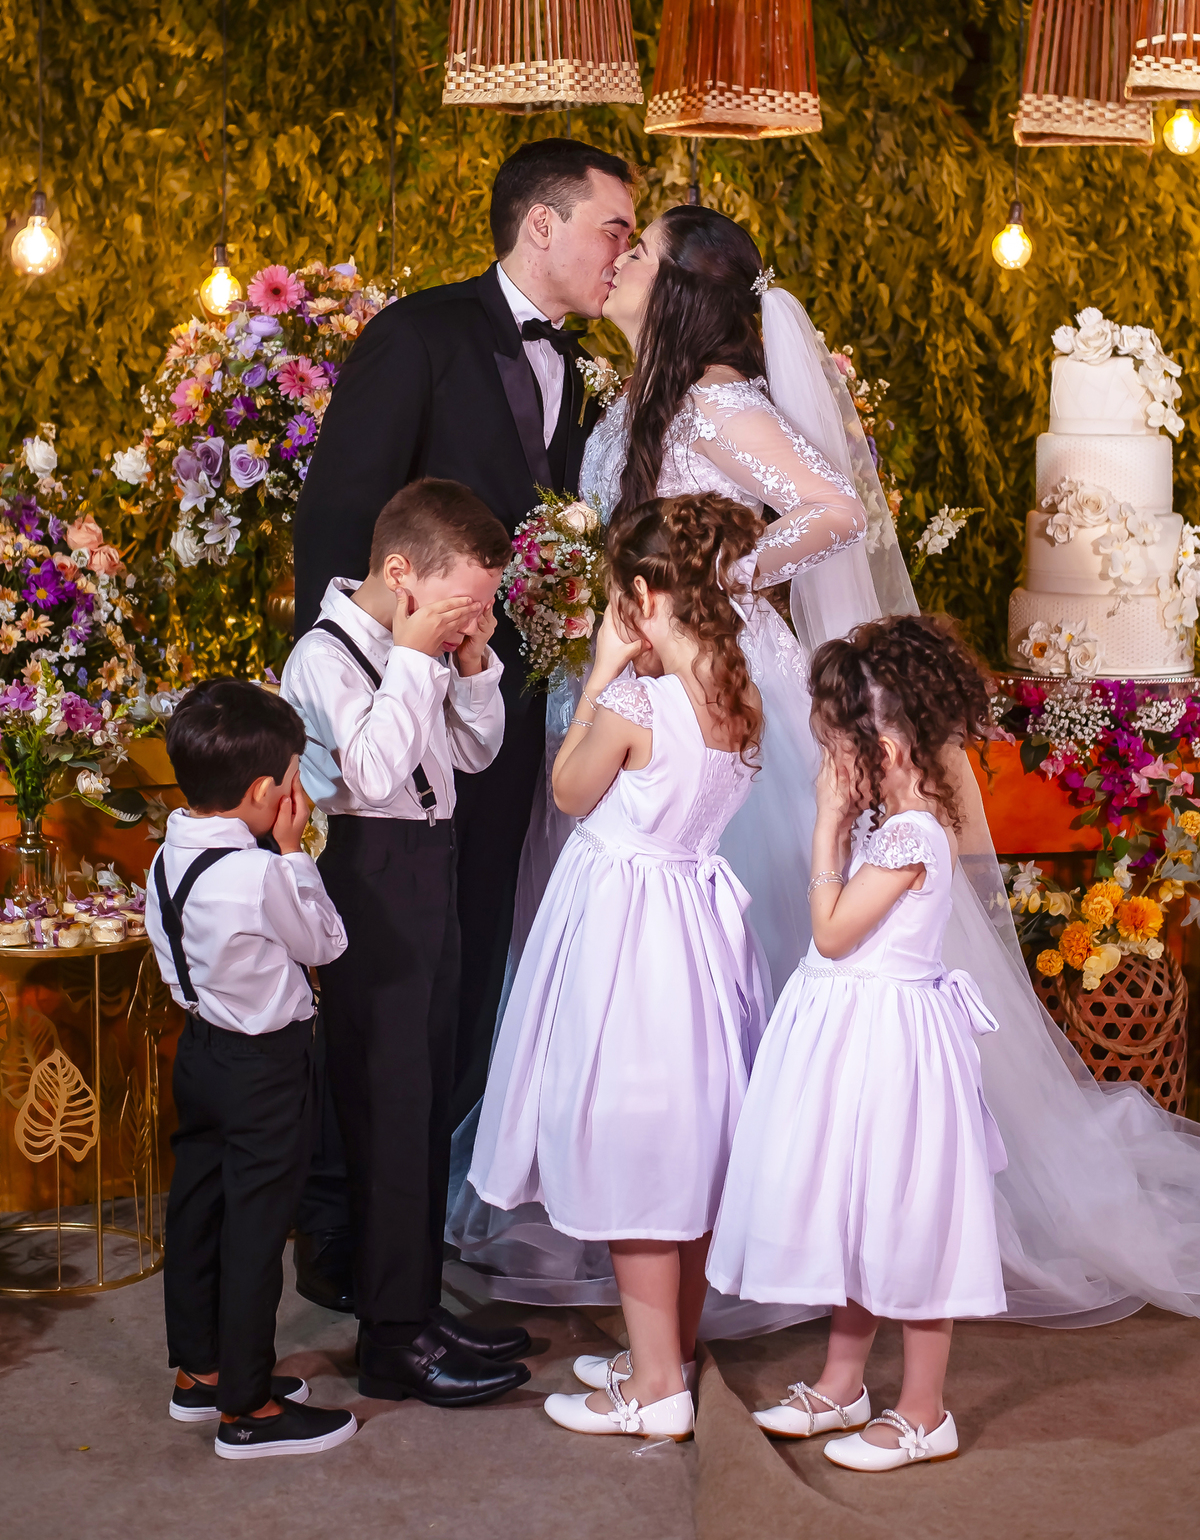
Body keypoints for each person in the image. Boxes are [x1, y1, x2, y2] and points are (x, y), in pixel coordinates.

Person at [455, 198, 1200, 1340]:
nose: (619, 263)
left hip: (709, 676)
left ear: (686, 292)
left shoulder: (721, 404)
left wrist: (721, 579)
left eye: (638, 252)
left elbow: (836, 508)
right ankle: (645, 1194)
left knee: (740, 945)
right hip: (629, 681)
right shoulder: (638, 405)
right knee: (632, 950)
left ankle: (773, 1210)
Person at [294, 138, 636, 1133]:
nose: (622, 250)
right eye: (612, 227)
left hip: (516, 705)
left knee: (478, 942)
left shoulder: (585, 367)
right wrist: (364, 686)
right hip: (398, 719)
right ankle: (346, 1223)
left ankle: (434, 1196)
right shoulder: (419, 335)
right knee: (387, 966)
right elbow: (338, 520)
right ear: (544, 223)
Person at [469, 494, 772, 1442]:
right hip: (695, 925)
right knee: (688, 1143)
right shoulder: (735, 690)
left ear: (641, 594)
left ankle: (653, 1391)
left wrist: (602, 670)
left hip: (627, 933)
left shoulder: (637, 703)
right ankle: (666, 1356)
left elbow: (567, 791)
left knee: (638, 1143)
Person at [708, 616, 1007, 1472]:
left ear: (885, 740)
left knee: (906, 1220)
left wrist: (827, 826)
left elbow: (834, 933)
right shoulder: (899, 822)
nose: (828, 761)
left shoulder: (908, 834)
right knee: (855, 1210)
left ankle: (924, 1409)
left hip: (891, 1050)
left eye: (837, 743)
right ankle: (845, 1383)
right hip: (855, 1040)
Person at [280, 478, 532, 1407]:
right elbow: (373, 770)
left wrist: (469, 664)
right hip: (370, 873)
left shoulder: (426, 645)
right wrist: (420, 663)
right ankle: (391, 1339)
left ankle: (417, 1305)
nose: (480, 613)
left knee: (427, 1099)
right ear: (401, 574)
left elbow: (476, 753)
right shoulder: (326, 655)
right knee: (387, 1106)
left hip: (434, 867)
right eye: (468, 598)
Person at [147, 679, 357, 1460]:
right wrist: (296, 852)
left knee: (198, 1212)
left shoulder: (166, 857)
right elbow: (325, 944)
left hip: (200, 1053)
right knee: (257, 1231)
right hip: (265, 1069)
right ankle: (249, 1407)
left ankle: (199, 1374)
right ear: (269, 791)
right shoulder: (261, 872)